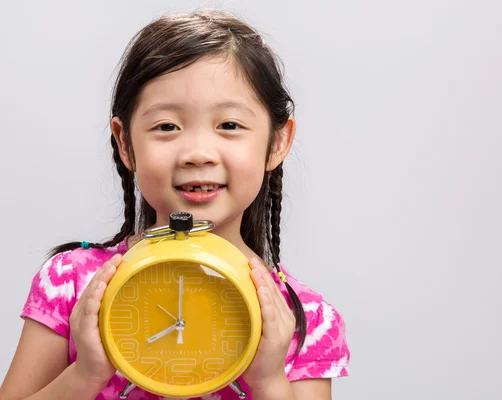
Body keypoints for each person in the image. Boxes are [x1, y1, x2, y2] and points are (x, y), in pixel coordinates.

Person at [0, 10, 349, 400]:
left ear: (278, 141)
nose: (197, 153)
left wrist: (268, 381)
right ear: (125, 143)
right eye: (167, 126)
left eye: (229, 125)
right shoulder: (71, 283)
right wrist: (85, 376)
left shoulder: (306, 321)